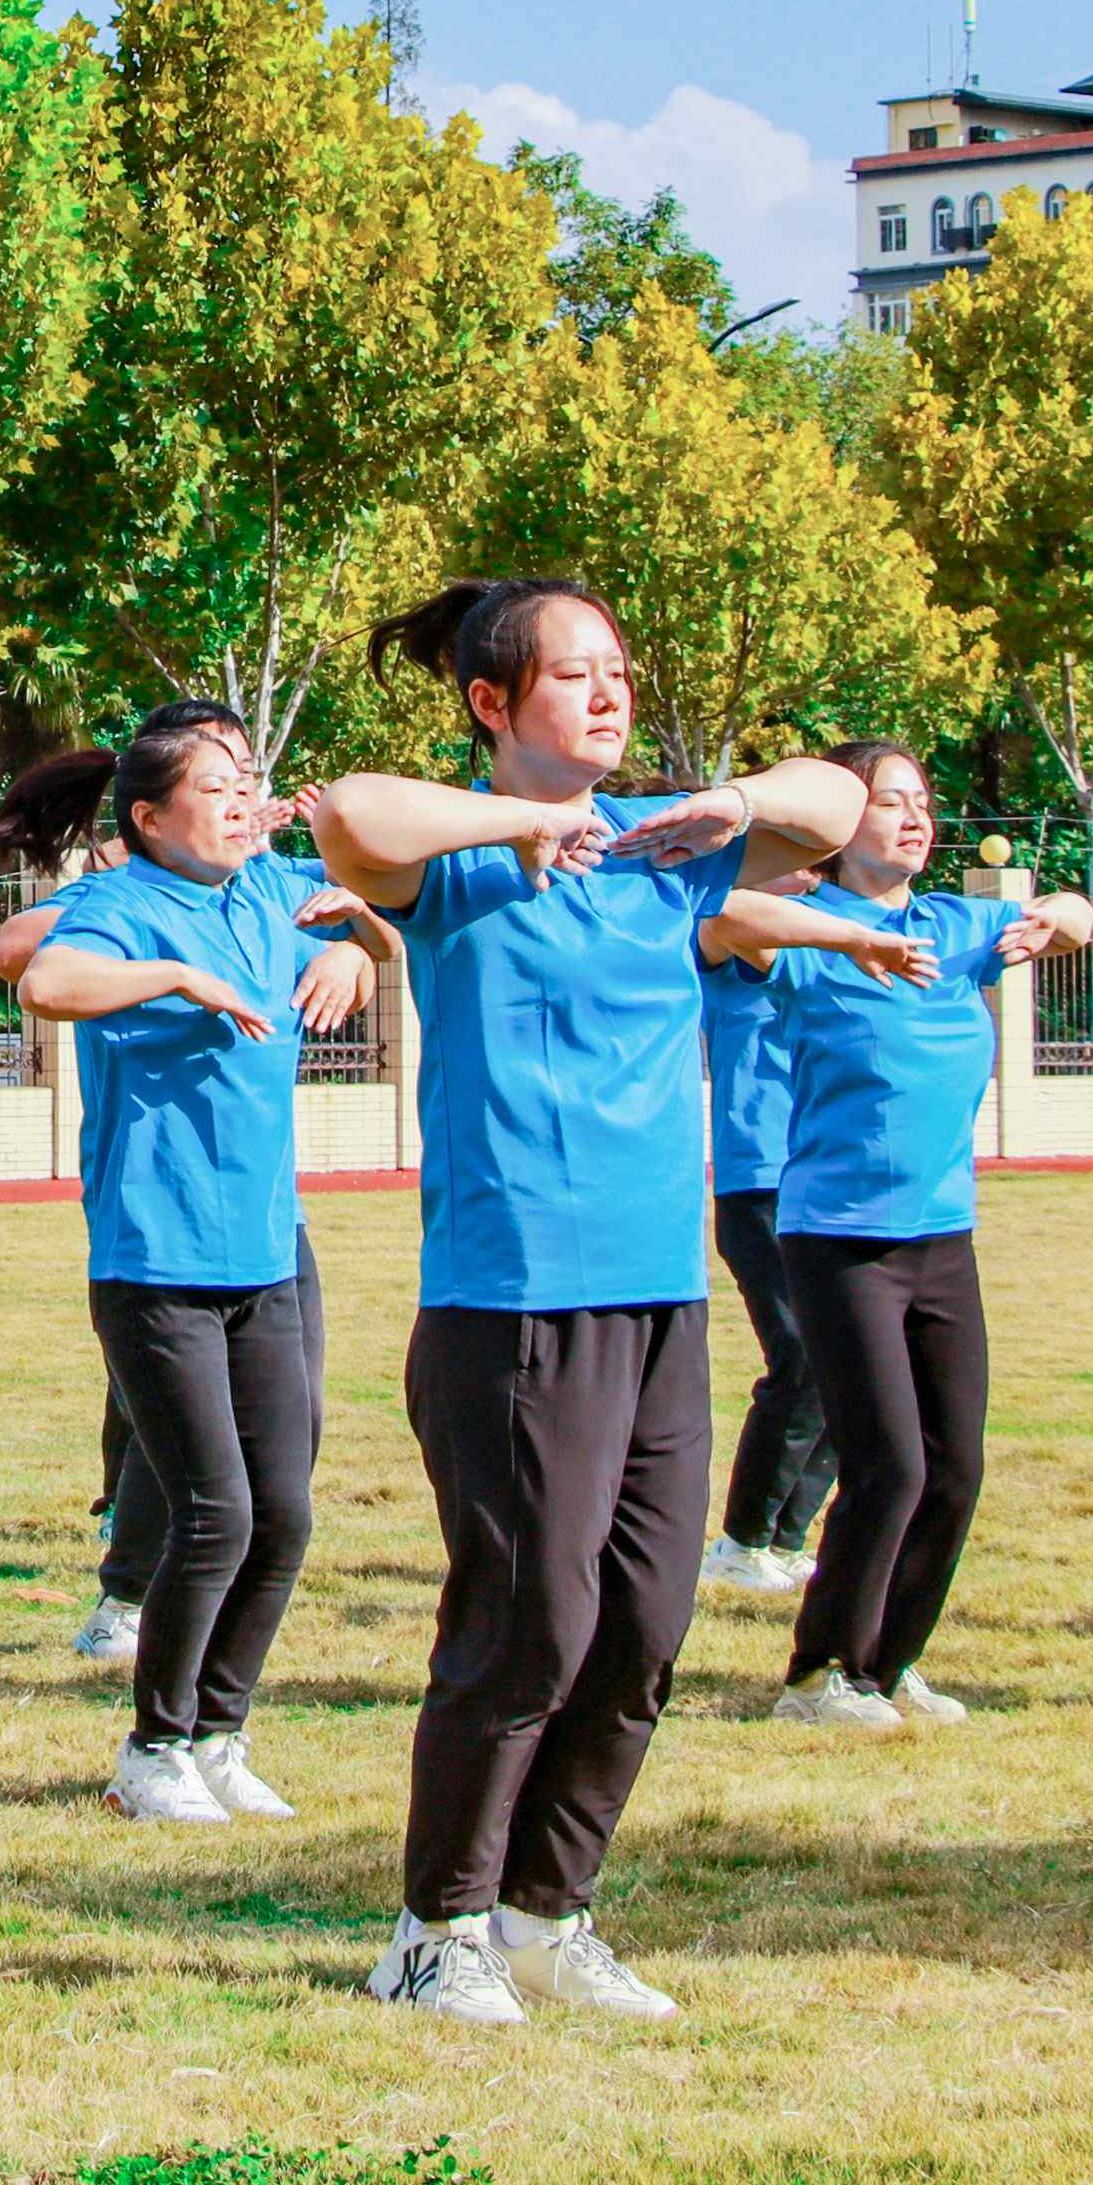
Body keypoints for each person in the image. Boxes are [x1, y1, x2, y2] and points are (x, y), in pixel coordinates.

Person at [305, 585, 860, 2029]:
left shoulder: (668, 856)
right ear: (492, 704)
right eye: (575, 674)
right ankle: (435, 1932)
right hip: (514, 1300)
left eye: (620, 670)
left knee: (645, 1623)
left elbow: (838, 806)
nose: (610, 695)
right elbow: (352, 813)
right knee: (531, 1621)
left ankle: (547, 1914)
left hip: (660, 1294)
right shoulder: (461, 870)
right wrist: (523, 823)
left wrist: (728, 802)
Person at [8, 705, 376, 1829]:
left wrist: (353, 953)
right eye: (213, 788)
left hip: (266, 1255)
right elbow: (45, 982)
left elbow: (368, 915)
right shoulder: (121, 906)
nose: (240, 801)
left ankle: (219, 1736)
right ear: (151, 820)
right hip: (156, 1260)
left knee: (284, 1516)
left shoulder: (263, 892)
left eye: (245, 782)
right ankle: (152, 1750)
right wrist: (176, 976)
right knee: (213, 1514)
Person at [718, 742, 1091, 1737]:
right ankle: (816, 1677)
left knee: (954, 1468)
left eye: (922, 801)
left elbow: (1078, 915)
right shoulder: (804, 935)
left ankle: (887, 1664)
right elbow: (722, 916)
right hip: (839, 1240)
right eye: (889, 802)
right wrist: (845, 935)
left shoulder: (958, 926)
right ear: (841, 827)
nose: (916, 817)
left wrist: (1059, 914)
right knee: (888, 1465)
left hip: (943, 1235)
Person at [693, 923, 836, 1602]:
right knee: (801, 1355)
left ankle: (785, 1541)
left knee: (847, 1364)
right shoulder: (733, 942)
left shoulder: (841, 946)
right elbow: (725, 921)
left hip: (832, 1178)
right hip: (762, 1183)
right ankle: (742, 1542)